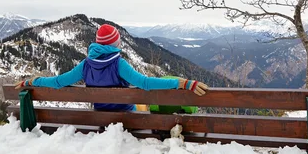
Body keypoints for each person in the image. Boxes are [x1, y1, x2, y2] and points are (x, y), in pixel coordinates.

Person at [14, 24, 208, 111]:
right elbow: (146, 83)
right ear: (114, 44)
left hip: (100, 117)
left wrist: (32, 81)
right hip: (126, 117)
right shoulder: (119, 64)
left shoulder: (85, 65)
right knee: (143, 107)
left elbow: (57, 82)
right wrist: (182, 83)